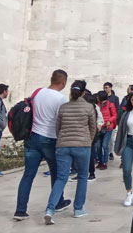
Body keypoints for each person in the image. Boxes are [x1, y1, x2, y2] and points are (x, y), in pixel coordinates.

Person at [14, 69, 72, 221]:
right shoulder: (61, 99)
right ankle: (58, 202)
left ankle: (20, 210)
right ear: (63, 82)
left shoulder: (37, 92)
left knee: (28, 174)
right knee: (56, 173)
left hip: (32, 137)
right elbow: (61, 121)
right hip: (50, 139)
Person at [44, 80, 95, 224]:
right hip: (82, 145)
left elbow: (58, 127)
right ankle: (78, 209)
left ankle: (50, 209)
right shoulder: (88, 107)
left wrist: (62, 140)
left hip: (63, 145)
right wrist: (88, 141)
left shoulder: (63, 107)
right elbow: (92, 128)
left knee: (61, 178)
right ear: (83, 93)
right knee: (83, 176)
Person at [94, 91, 117, 170]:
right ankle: (100, 161)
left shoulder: (110, 105)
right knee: (98, 146)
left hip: (108, 128)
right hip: (100, 127)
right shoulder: (97, 105)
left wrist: (109, 121)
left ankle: (105, 162)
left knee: (104, 145)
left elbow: (115, 115)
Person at [84, 92, 102, 181]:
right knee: (90, 154)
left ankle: (91, 173)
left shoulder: (90, 110)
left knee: (89, 155)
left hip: (89, 135)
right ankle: (90, 173)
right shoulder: (93, 109)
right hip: (92, 135)